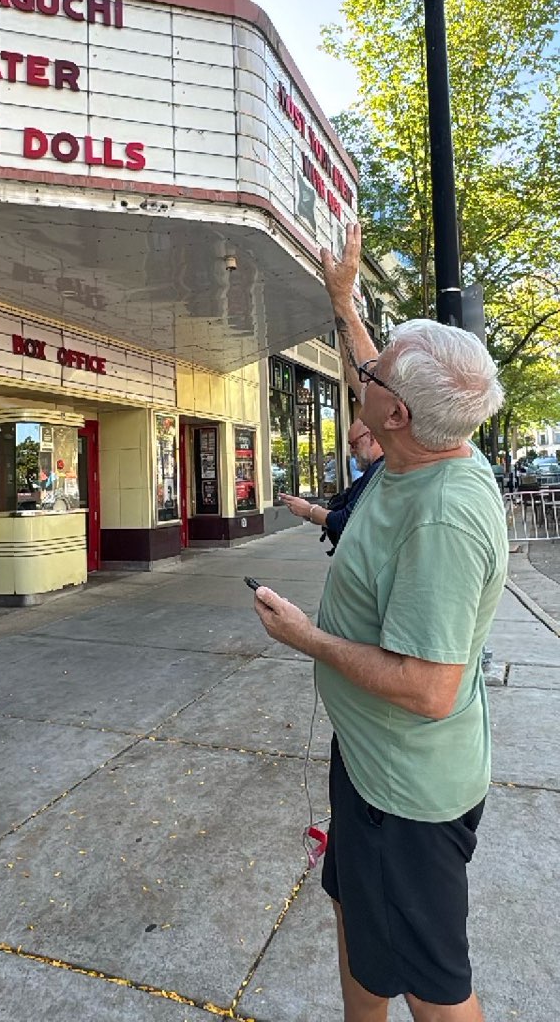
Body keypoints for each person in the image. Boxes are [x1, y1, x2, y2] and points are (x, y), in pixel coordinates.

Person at [253, 222, 508, 1022]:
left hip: (405, 798)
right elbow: (381, 370)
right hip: (370, 769)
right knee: (361, 929)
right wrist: (342, 301)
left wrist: (307, 638)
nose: (360, 369)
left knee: (434, 987)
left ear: (392, 413)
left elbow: (429, 689)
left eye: (372, 373)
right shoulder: (416, 446)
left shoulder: (442, 518)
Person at [279, 421, 384, 551]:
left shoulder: (380, 472)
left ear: (371, 437)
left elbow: (347, 521)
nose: (351, 451)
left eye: (354, 444)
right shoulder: (376, 471)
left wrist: (309, 510)